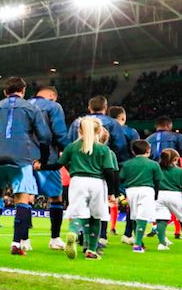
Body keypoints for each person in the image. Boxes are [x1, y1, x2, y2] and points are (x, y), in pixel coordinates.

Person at [0, 77, 51, 255]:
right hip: (21, 158)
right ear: (23, 90)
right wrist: (43, 160)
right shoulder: (32, 108)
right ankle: (16, 243)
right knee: (22, 198)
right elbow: (45, 137)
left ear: (5, 92)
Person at [38, 117, 117, 260]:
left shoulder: (72, 147)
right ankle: (91, 250)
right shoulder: (103, 149)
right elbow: (109, 171)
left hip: (77, 181)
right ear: (99, 131)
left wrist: (41, 166)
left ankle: (73, 232)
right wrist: (111, 193)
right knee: (96, 217)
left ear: (79, 131)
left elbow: (58, 165)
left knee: (77, 213)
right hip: (97, 183)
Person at [28, 86, 70, 249]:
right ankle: (55, 239)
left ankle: (22, 240)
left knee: (24, 196)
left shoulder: (23, 105)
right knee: (55, 197)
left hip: (23, 158)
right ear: (52, 95)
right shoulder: (53, 106)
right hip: (47, 159)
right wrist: (70, 151)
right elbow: (60, 133)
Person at [117, 140, 161, 252]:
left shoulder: (127, 164)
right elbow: (157, 181)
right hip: (147, 190)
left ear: (133, 151)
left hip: (131, 190)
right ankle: (137, 244)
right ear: (148, 150)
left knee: (134, 215)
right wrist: (156, 195)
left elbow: (121, 178)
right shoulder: (154, 164)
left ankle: (139, 241)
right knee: (142, 217)